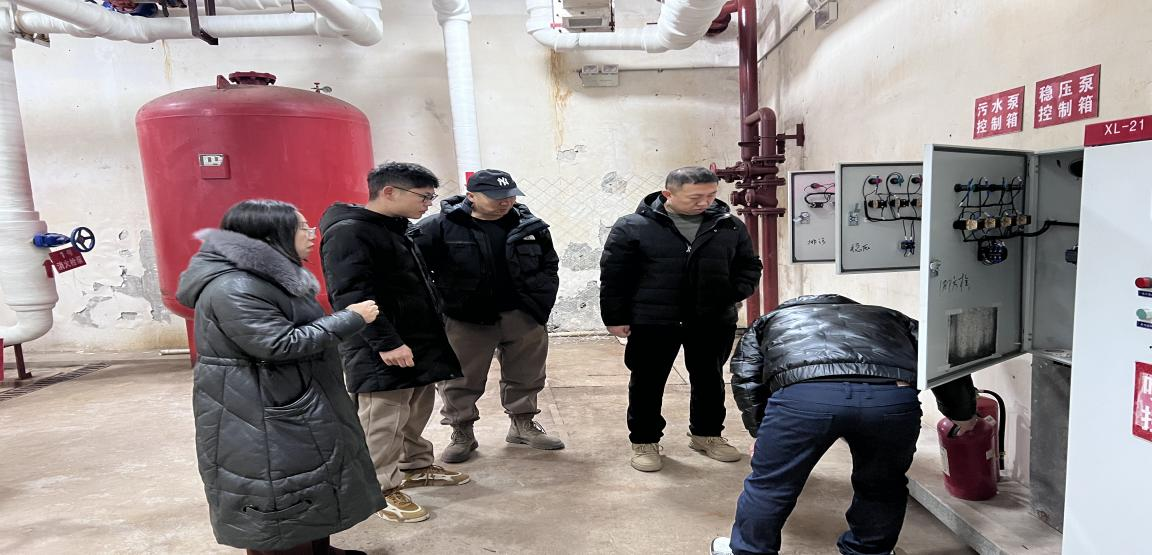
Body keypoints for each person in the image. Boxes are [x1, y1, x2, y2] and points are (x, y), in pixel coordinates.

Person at [176, 199, 383, 555]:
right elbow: (278, 343)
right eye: (302, 227)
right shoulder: (235, 286)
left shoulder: (271, 277)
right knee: (280, 488)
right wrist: (350, 318)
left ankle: (318, 548)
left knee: (315, 478)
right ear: (270, 235)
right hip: (261, 408)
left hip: (292, 396)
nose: (312, 234)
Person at [710, 294, 979, 555]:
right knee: (883, 484)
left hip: (805, 398)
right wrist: (962, 413)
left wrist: (761, 431)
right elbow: (942, 359)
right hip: (890, 399)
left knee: (771, 485)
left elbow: (746, 378)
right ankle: (870, 550)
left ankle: (750, 550)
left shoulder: (769, 321)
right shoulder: (890, 317)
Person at [318, 162, 469, 524]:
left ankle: (415, 465)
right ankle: (379, 489)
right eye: (424, 197)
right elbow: (350, 295)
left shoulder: (395, 227)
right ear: (389, 192)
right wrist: (386, 342)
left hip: (417, 340)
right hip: (382, 345)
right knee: (382, 419)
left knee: (414, 409)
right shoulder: (349, 232)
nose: (429, 204)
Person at [599, 166, 763, 472]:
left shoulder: (728, 225)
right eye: (695, 197)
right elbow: (614, 276)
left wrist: (733, 292)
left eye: (711, 195)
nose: (705, 202)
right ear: (668, 194)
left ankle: (707, 435)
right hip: (653, 318)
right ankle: (644, 441)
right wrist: (615, 317)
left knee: (709, 379)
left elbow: (749, 265)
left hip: (712, 318)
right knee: (647, 381)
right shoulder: (633, 226)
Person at [414, 169, 564, 463]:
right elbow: (415, 270)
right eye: (496, 197)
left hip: (523, 315)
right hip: (466, 318)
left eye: (510, 196)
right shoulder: (439, 227)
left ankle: (522, 425)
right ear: (471, 196)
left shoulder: (530, 225)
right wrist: (439, 306)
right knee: (460, 378)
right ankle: (462, 432)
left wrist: (540, 303)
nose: (505, 202)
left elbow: (550, 264)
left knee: (527, 373)